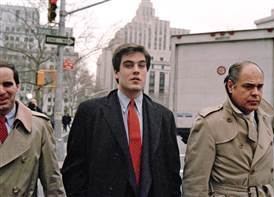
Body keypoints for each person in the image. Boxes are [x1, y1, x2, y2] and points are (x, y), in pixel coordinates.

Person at [62, 43, 181, 197]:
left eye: (141, 65)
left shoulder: (164, 116)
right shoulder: (90, 112)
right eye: (129, 65)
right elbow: (74, 169)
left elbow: (172, 171)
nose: (136, 70)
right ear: (116, 73)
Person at [182, 61, 274, 197]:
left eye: (259, 87)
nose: (255, 93)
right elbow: (194, 184)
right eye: (248, 86)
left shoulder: (266, 120)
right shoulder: (209, 123)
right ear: (231, 86)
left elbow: (268, 178)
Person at [0, 62, 65, 196]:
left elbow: (52, 181)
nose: (1, 91)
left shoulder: (39, 126)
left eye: (7, 84)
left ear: (17, 87)